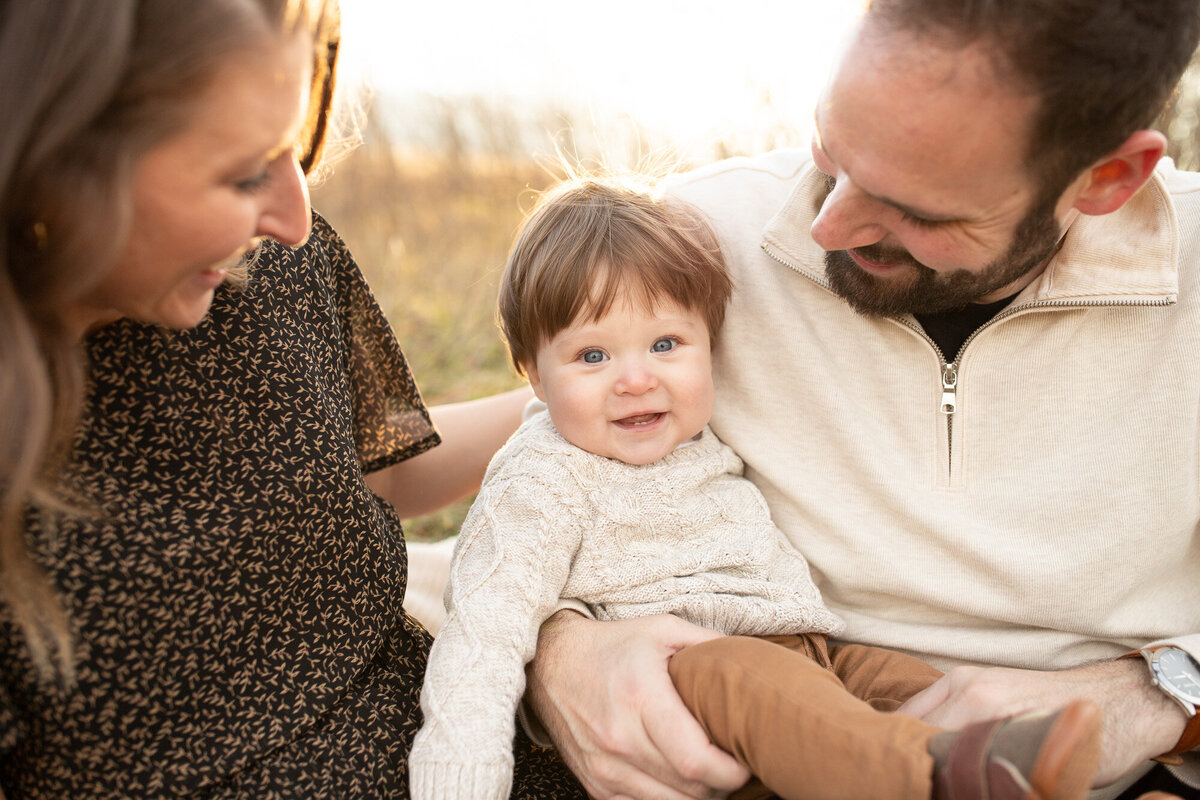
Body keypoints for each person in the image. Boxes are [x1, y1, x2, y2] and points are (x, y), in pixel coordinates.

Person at [500, 1, 1200, 799]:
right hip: (749, 739)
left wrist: (1159, 696)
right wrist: (561, 655)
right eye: (832, 149)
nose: (827, 225)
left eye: (918, 209)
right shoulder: (698, 234)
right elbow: (552, 471)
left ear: (1107, 178)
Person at [0, 2, 584, 797]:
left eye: (297, 149)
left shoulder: (271, 269)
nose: (294, 217)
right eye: (243, 173)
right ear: (58, 154)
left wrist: (575, 403)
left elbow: (380, 468)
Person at [407, 176, 1110, 800]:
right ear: (533, 373)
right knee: (773, 693)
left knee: (915, 686)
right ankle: (927, 779)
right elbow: (482, 639)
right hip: (686, 677)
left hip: (810, 651)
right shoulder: (544, 475)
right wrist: (460, 784)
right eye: (592, 355)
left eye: (665, 345)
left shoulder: (699, 435)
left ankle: (1011, 759)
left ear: (708, 345)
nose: (636, 379)